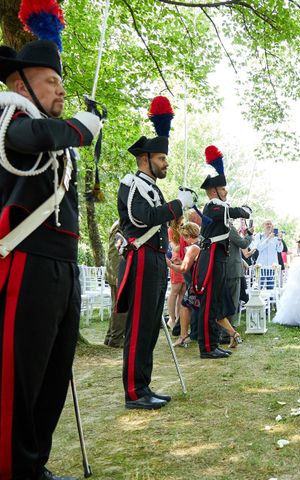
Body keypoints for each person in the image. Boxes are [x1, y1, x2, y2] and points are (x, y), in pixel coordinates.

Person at [0, 39, 102, 480]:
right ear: (20, 84)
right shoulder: (9, 115)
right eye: (51, 81)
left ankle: (33, 463)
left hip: (61, 265)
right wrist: (83, 126)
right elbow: (35, 137)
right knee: (18, 377)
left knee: (53, 373)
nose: (61, 91)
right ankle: (10, 467)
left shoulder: (49, 129)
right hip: (26, 258)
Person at [116, 96, 194, 410]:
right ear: (146, 157)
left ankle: (143, 386)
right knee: (139, 325)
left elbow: (160, 223)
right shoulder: (132, 182)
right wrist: (177, 205)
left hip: (154, 260)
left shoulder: (151, 187)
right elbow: (141, 219)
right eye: (161, 158)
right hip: (139, 261)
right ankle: (133, 392)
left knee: (150, 325)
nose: (166, 163)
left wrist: (177, 209)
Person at [194, 146, 251, 359]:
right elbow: (233, 211)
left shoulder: (219, 207)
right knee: (209, 302)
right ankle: (206, 347)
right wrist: (244, 210)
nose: (226, 192)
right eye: (223, 189)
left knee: (215, 302)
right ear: (213, 191)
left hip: (218, 257)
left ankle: (212, 343)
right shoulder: (212, 206)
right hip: (210, 258)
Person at [166, 221, 201, 347]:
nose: (183, 240)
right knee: (185, 307)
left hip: (195, 285)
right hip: (198, 283)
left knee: (186, 307)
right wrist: (180, 261)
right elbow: (191, 264)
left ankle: (183, 336)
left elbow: (184, 269)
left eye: (184, 236)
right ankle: (184, 335)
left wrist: (170, 264)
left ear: (188, 235)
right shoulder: (200, 244)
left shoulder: (192, 248)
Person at [104, 221, 127, 348]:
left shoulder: (118, 224)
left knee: (116, 305)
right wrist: (120, 274)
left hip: (114, 271)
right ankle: (116, 338)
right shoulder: (120, 225)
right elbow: (117, 251)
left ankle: (110, 336)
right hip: (117, 271)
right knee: (120, 306)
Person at [228, 221, 253, 328]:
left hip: (222, 268)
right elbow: (243, 244)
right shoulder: (228, 227)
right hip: (232, 269)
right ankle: (228, 330)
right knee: (233, 299)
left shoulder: (213, 226)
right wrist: (249, 235)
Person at [166, 218, 186, 331]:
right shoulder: (170, 230)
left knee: (183, 291)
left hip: (184, 260)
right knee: (175, 290)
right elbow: (175, 247)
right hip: (176, 260)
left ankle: (179, 319)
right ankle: (171, 319)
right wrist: (184, 237)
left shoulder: (182, 229)